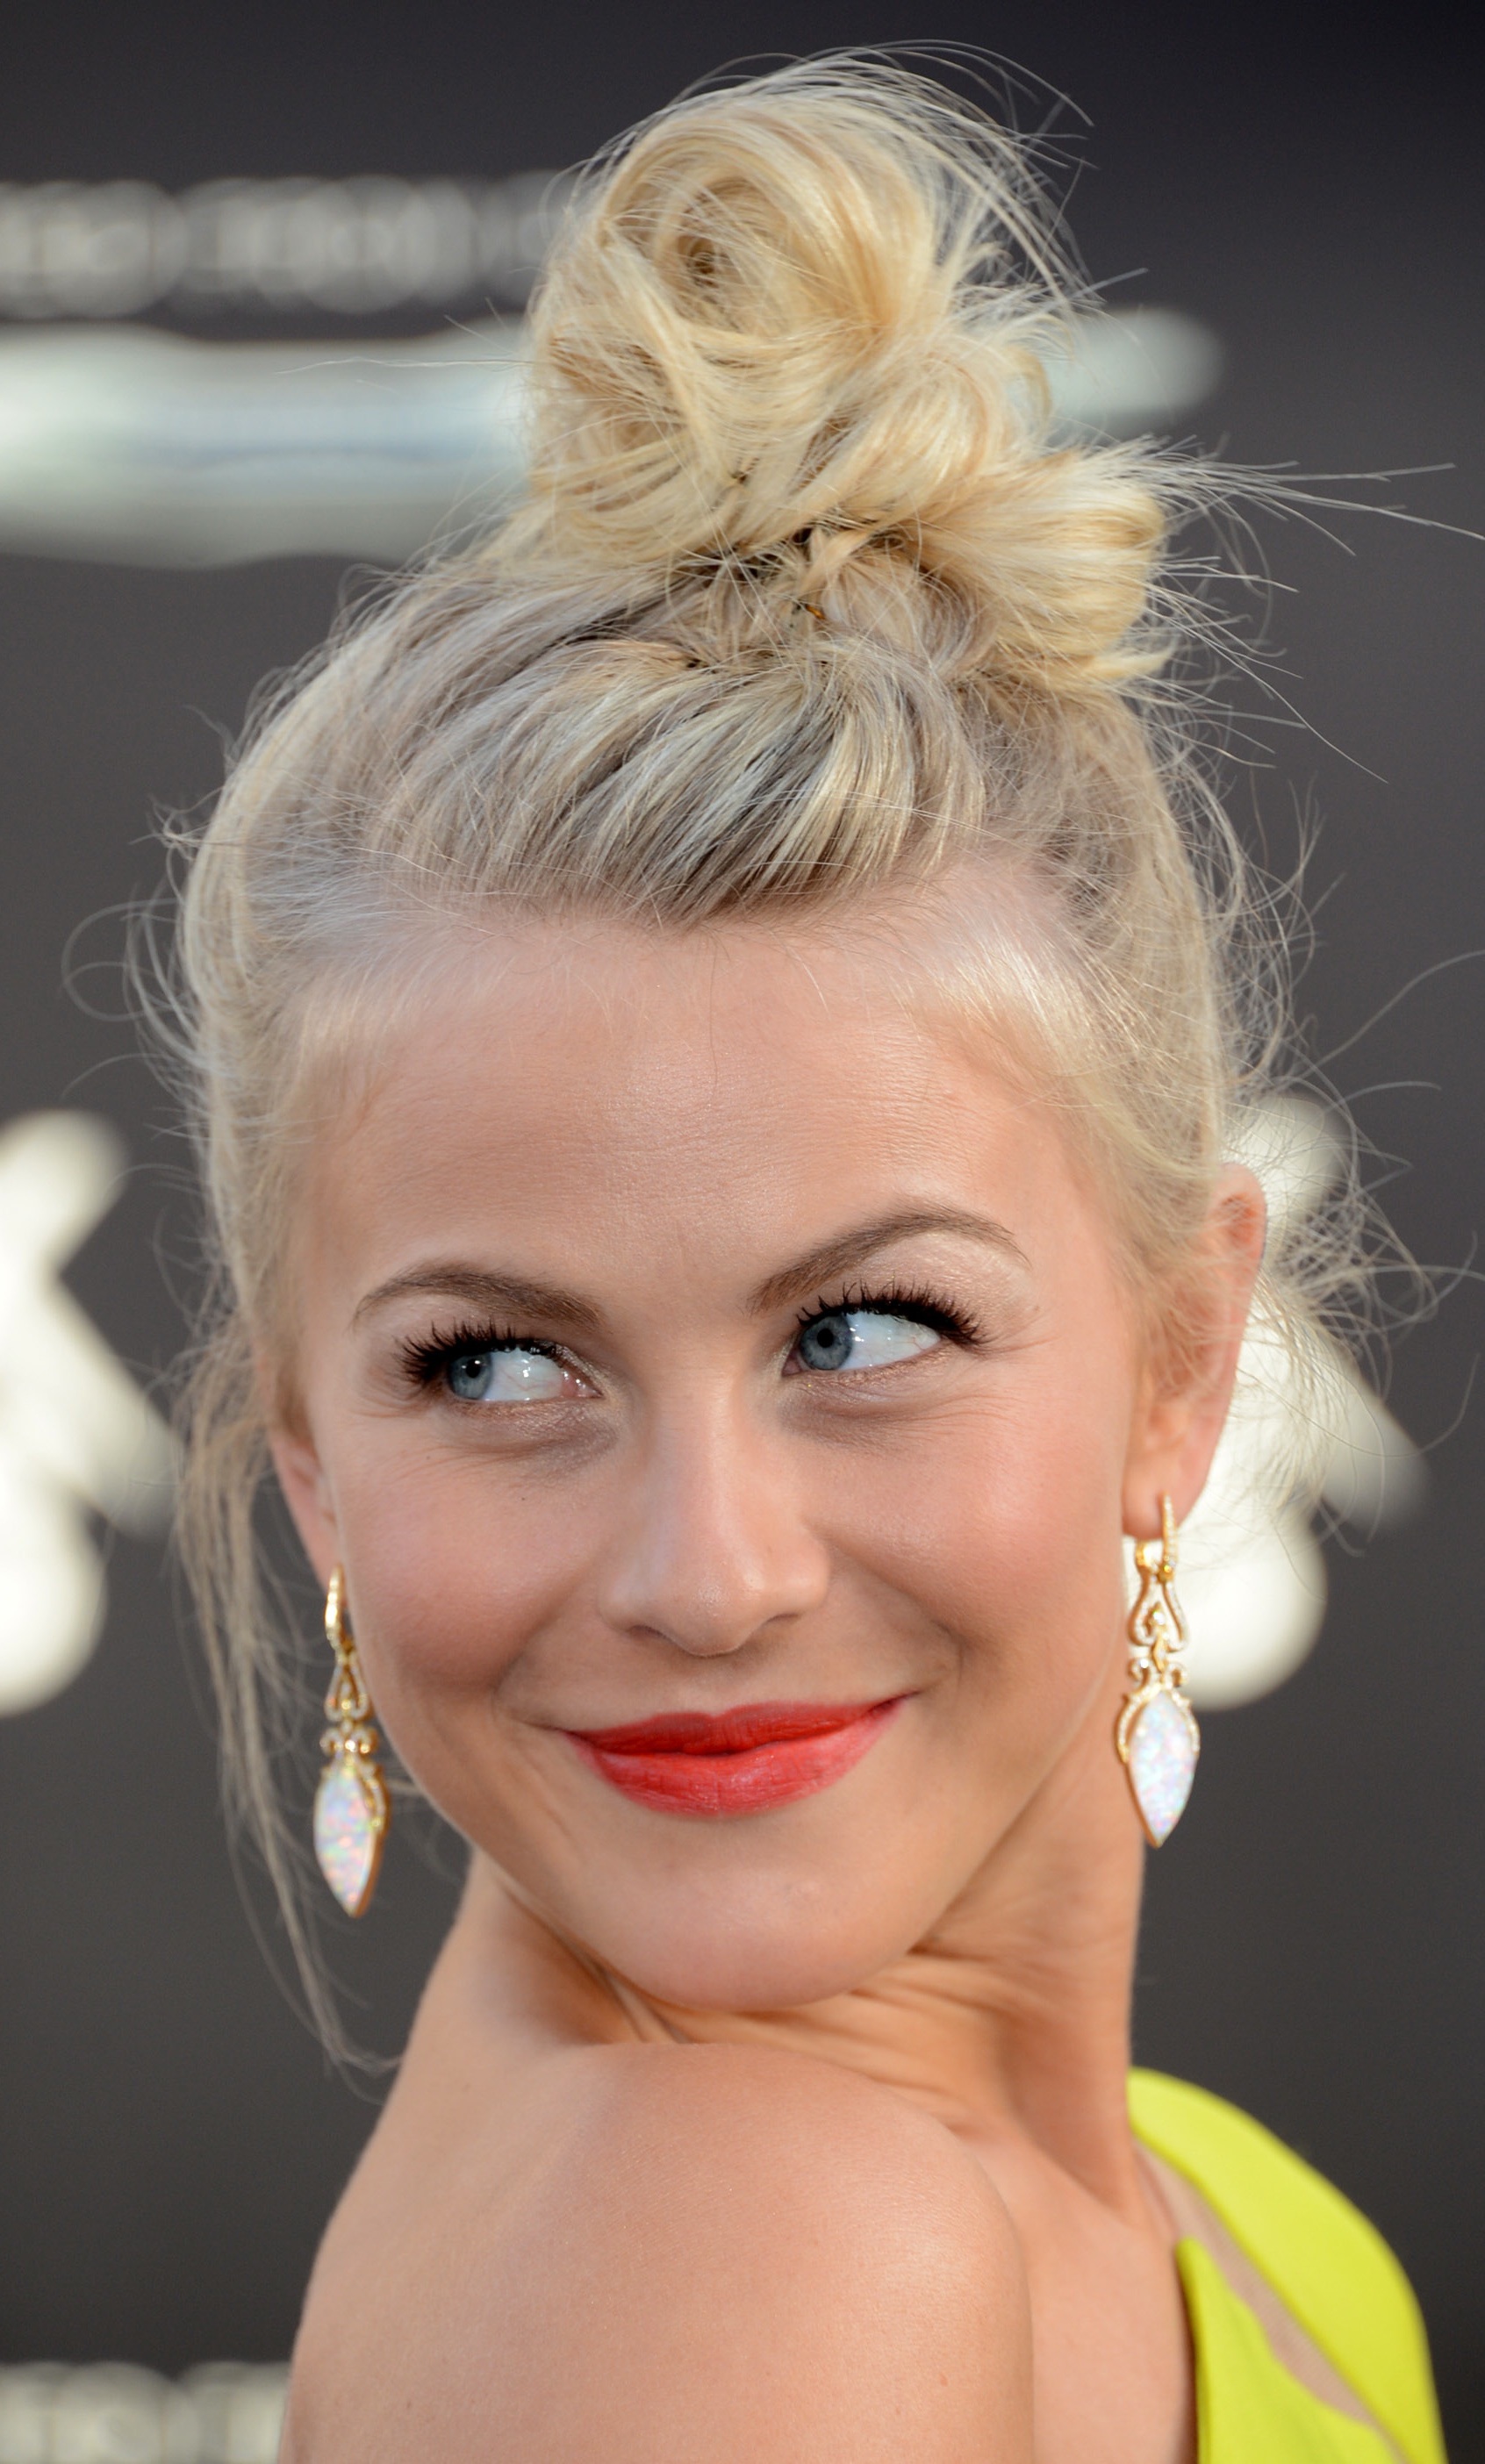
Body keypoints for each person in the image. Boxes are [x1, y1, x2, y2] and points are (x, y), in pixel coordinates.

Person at [161, 59, 1447, 2463]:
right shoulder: (747, 2246)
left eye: (862, 1328)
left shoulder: (1247, 2228)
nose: (710, 1573)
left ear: (1184, 1360)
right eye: (495, 1368)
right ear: (313, 1461)